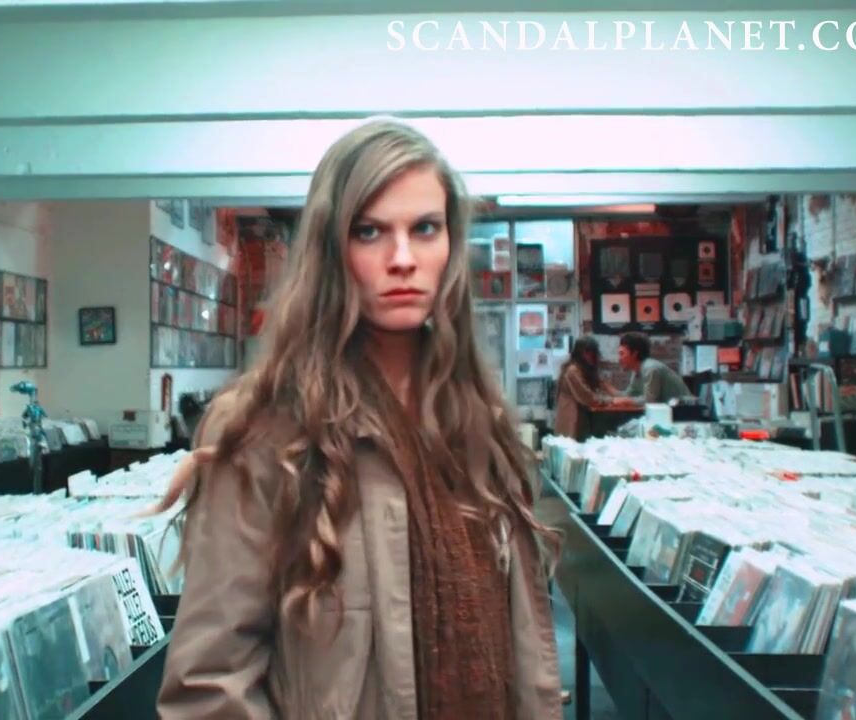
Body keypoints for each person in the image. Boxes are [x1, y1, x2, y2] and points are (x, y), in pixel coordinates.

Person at [152, 118, 564, 719]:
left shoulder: (476, 421)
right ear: (330, 250)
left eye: (425, 228)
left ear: (451, 246)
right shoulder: (268, 431)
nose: (403, 259)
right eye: (369, 232)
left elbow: (523, 648)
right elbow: (210, 683)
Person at [553, 336, 617, 442]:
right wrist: (611, 401)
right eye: (588, 353)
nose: (590, 356)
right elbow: (587, 397)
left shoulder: (583, 369)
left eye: (592, 353)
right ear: (581, 353)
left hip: (579, 417)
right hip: (572, 418)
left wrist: (620, 397)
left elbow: (601, 387)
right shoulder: (573, 371)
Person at [615, 331, 693, 405]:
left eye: (622, 354)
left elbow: (650, 400)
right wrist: (607, 386)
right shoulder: (637, 371)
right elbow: (626, 396)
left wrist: (626, 401)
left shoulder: (651, 369)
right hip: (667, 411)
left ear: (634, 353)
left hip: (684, 411)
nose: (619, 359)